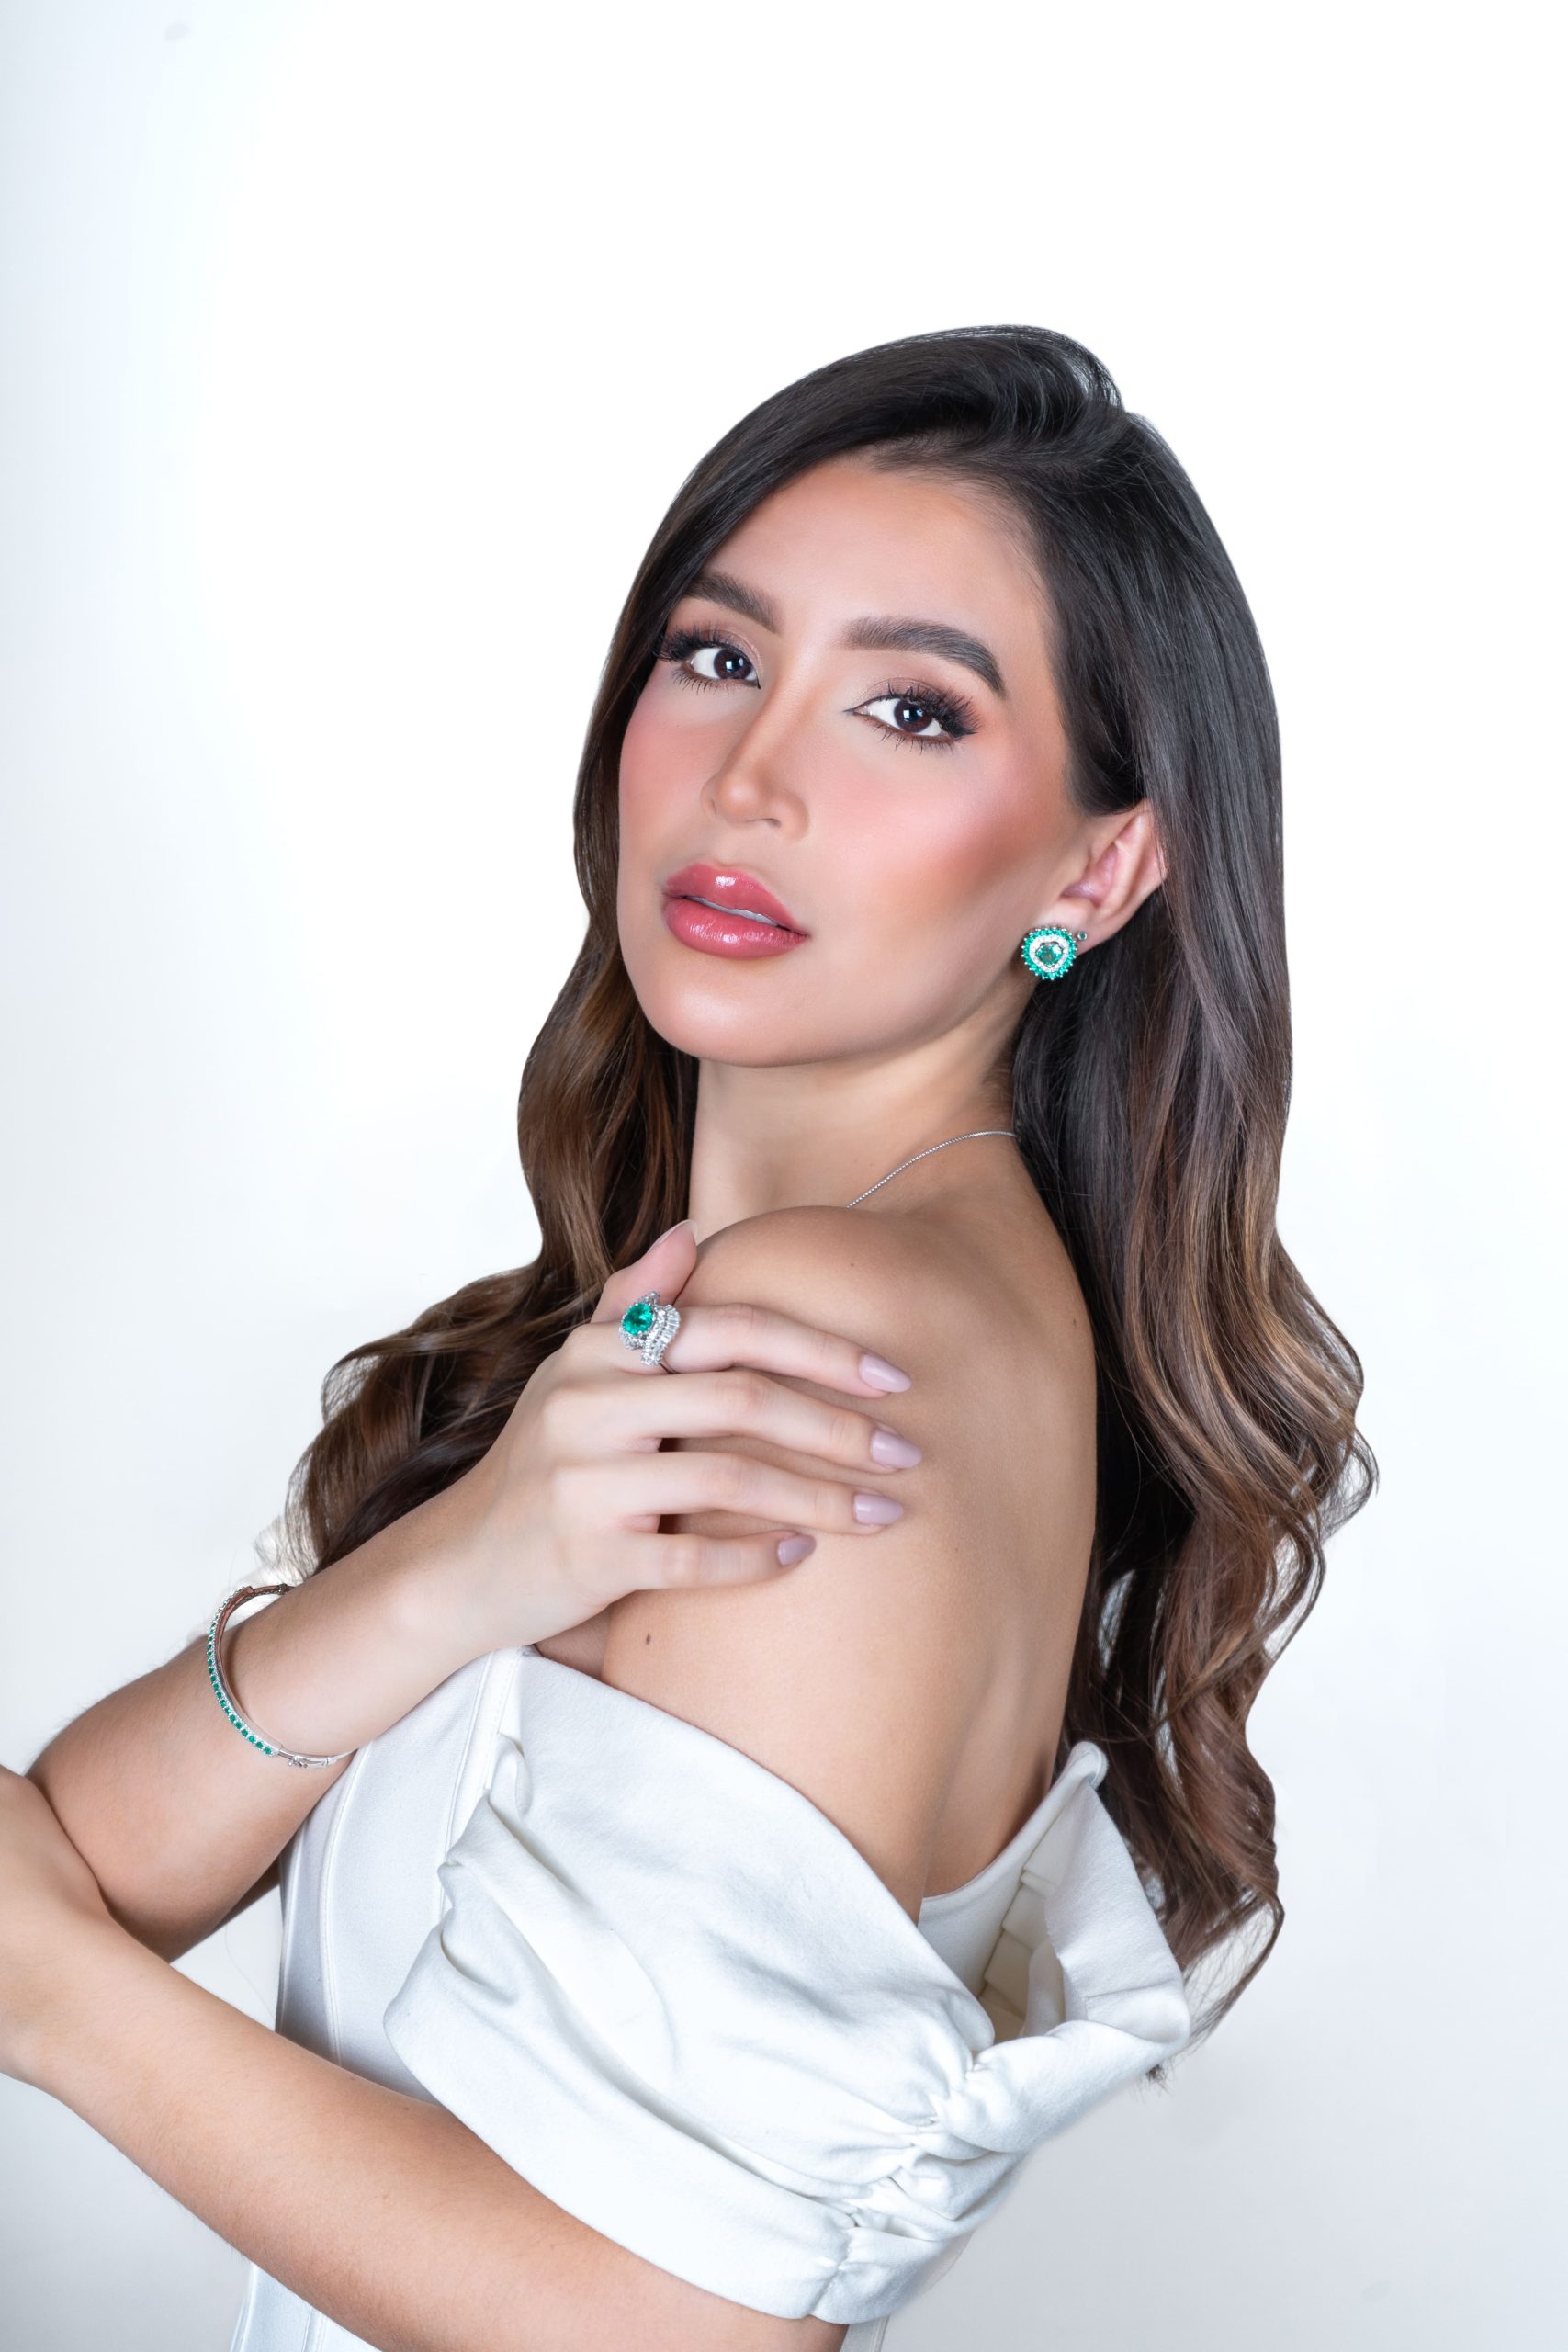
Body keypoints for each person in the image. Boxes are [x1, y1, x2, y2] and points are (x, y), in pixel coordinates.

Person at [0, 323, 1375, 2350]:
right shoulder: (741, 1305)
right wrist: (460, 1569)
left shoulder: (836, 1327)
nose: (750, 778)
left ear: (1098, 865)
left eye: (910, 709)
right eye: (719, 656)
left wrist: (52, 2007)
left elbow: (677, 2328)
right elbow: (81, 1853)